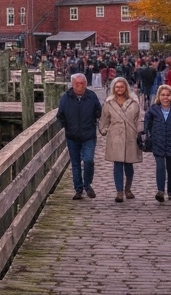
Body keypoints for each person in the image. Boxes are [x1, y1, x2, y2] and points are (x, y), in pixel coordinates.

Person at [57, 72, 102, 200]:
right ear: (72, 84)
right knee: (75, 164)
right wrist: (67, 126)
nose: (79, 86)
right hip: (72, 136)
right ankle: (78, 189)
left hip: (88, 135)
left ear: (86, 84)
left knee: (88, 160)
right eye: (77, 84)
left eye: (82, 83)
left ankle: (87, 184)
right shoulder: (66, 97)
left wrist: (93, 120)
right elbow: (60, 115)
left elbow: (99, 111)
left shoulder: (91, 96)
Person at [99, 77, 143, 202]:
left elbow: (138, 119)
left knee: (129, 165)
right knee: (117, 164)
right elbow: (104, 119)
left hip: (130, 136)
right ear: (114, 88)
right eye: (117, 87)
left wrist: (141, 134)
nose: (119, 89)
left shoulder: (133, 102)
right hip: (115, 136)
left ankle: (128, 188)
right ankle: (119, 191)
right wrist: (103, 130)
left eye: (122, 87)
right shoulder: (109, 103)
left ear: (126, 88)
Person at [143, 84, 171, 202]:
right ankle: (160, 191)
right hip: (158, 142)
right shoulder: (153, 109)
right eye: (163, 95)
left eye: (168, 95)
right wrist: (149, 137)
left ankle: (170, 191)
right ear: (159, 96)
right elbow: (147, 125)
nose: (165, 97)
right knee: (160, 166)